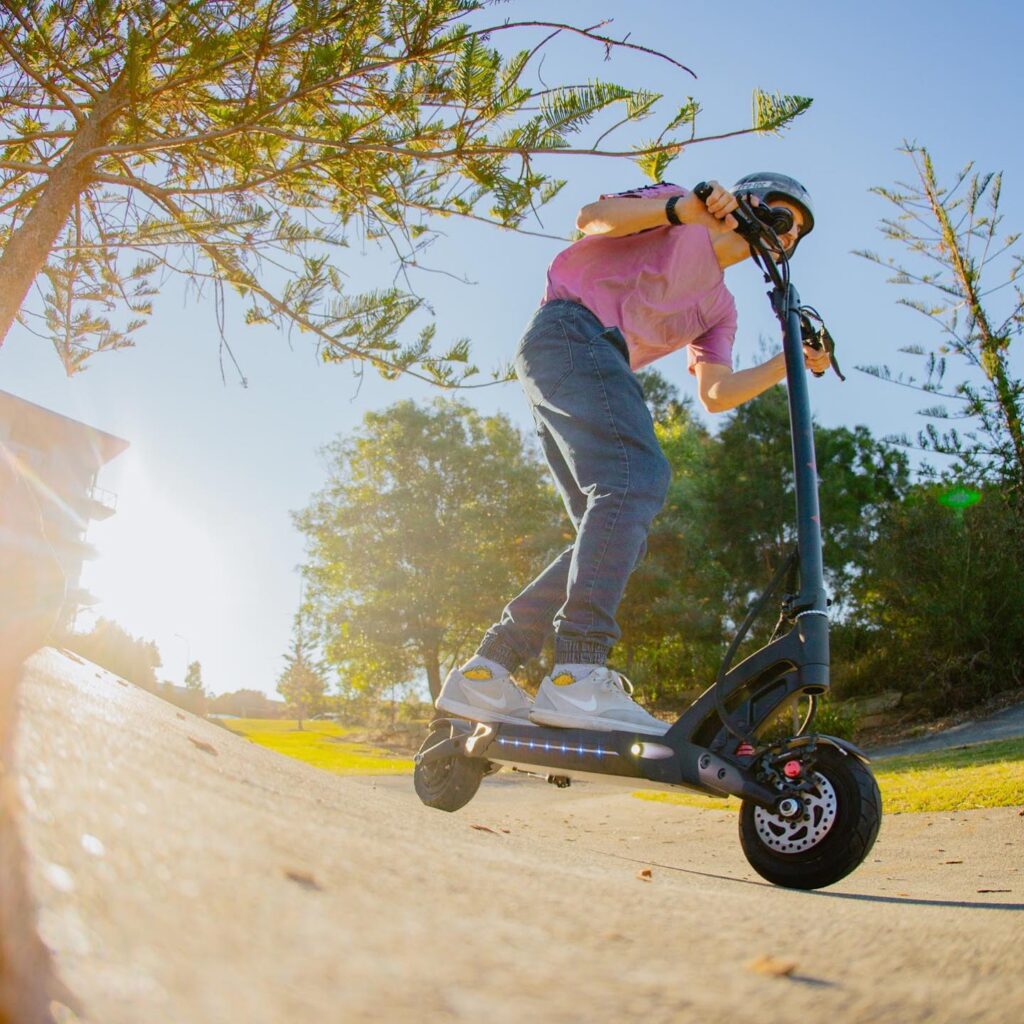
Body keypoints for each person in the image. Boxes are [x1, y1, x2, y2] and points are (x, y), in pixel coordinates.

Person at [436, 173, 831, 736]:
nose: (787, 234)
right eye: (783, 215)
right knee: (636, 479)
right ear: (749, 203)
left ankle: (489, 668)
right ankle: (577, 672)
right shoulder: (681, 208)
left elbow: (715, 394)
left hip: (588, 363)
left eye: (797, 233)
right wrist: (682, 208)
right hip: (568, 333)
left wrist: (788, 364)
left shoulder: (720, 307)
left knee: (613, 530)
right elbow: (590, 216)